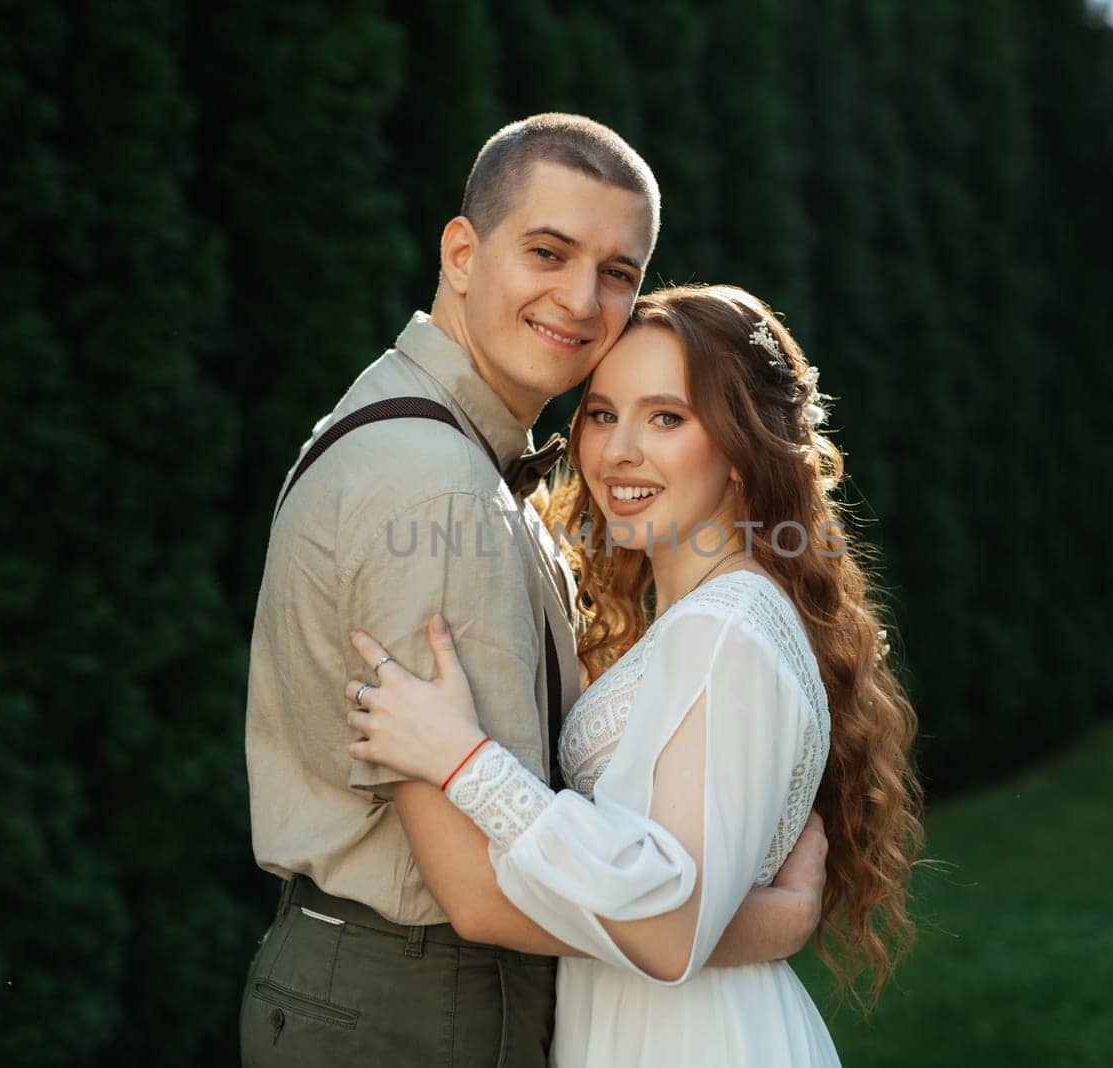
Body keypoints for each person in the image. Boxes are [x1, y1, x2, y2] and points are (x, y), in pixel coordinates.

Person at [239, 116, 827, 1067]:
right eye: (547, 252)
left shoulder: (431, 448)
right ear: (462, 253)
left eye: (618, 272)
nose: (582, 299)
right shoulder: (434, 482)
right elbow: (476, 892)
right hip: (420, 997)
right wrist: (772, 921)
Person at [345, 284, 926, 1067]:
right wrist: (774, 917)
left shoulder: (725, 630)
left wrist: (461, 761)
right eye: (602, 413)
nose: (618, 450)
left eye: (666, 417)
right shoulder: (713, 618)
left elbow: (669, 929)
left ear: (742, 449)